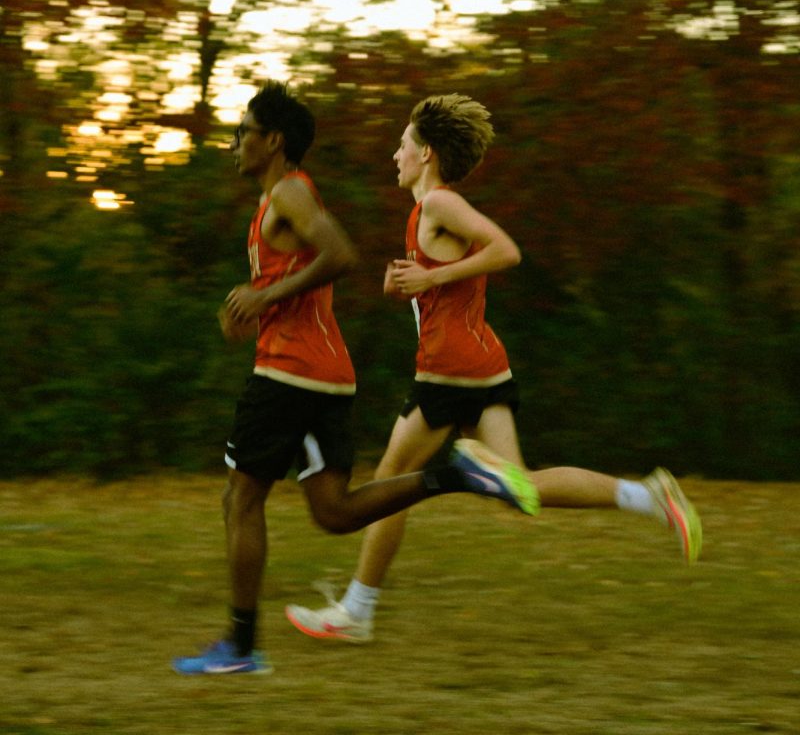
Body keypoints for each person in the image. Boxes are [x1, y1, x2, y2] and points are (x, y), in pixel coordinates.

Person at [285, 93, 702, 645]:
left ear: (426, 152)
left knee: (389, 484)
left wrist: (430, 280)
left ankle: (358, 610)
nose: (395, 153)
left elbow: (507, 251)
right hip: (482, 367)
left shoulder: (439, 204)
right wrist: (414, 284)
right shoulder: (427, 211)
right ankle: (650, 495)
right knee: (522, 490)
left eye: (403, 144)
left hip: (449, 372)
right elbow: (458, 275)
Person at [174, 83, 538, 676]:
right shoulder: (280, 200)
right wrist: (258, 307)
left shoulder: (289, 191)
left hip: (291, 370)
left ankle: (240, 648)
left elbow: (340, 256)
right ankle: (456, 474)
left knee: (240, 498)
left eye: (244, 131)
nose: (236, 142)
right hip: (322, 373)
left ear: (274, 141)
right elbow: (310, 272)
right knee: (335, 512)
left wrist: (263, 296)